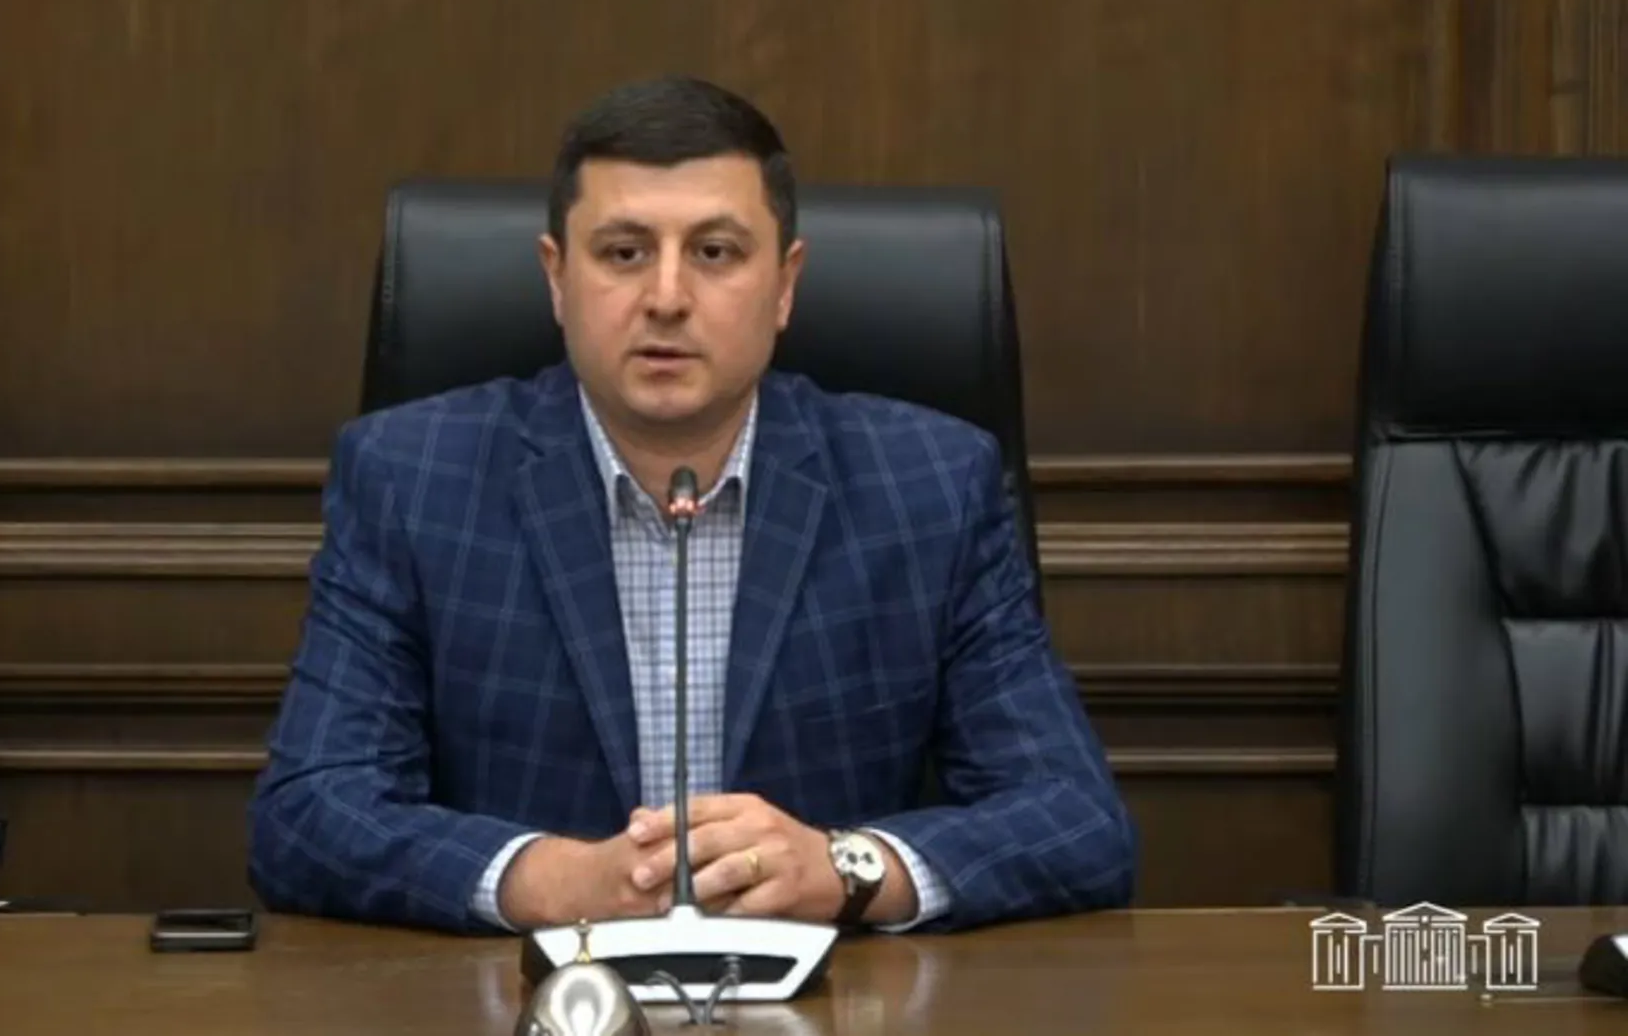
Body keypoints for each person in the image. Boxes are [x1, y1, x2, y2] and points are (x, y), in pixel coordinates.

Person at [248, 75, 1136, 936]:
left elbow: (1074, 819)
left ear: (784, 285)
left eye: (714, 253)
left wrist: (843, 868)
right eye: (623, 253)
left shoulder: (931, 485)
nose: (667, 298)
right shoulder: (411, 478)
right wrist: (549, 880)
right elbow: (308, 813)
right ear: (556, 277)